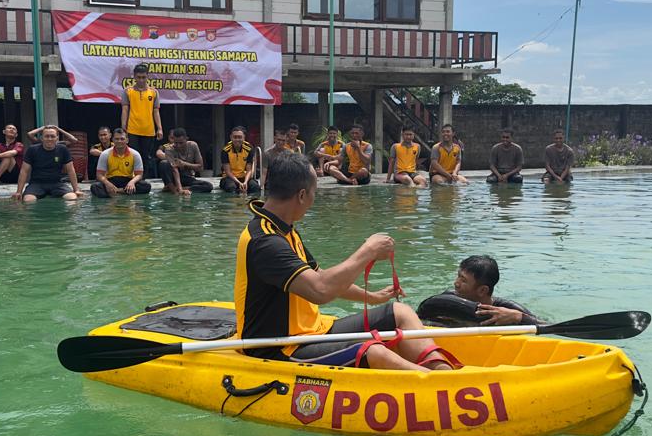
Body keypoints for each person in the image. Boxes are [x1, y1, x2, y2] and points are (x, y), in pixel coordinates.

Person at [234, 151, 459, 370]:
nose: (314, 199)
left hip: (313, 332)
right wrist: (368, 251)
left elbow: (320, 276)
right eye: (314, 192)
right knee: (373, 351)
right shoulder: (265, 241)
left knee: (400, 312)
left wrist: (371, 297)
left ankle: (440, 370)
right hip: (281, 347)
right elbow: (319, 290)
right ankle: (437, 388)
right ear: (302, 195)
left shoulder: (283, 228)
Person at [418, 255, 546, 326]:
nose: (456, 283)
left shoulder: (509, 311)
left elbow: (554, 329)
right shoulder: (446, 300)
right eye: (458, 276)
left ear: (482, 290)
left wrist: (519, 318)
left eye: (463, 280)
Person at [14, 125, 82, 202]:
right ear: (42, 138)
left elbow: (71, 170)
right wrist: (19, 192)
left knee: (72, 198)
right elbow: (24, 171)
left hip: (57, 183)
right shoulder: (32, 149)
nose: (49, 139)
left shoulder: (63, 149)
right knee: (28, 200)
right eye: (47, 136)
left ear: (57, 138)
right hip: (36, 184)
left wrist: (76, 189)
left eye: (52, 136)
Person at [122, 63, 162, 177]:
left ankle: (143, 180)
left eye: (143, 77)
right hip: (132, 129)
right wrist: (123, 127)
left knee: (146, 157)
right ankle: (131, 178)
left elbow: (156, 111)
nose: (141, 80)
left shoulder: (154, 92)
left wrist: (159, 128)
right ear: (134, 77)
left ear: (147, 76)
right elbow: (124, 110)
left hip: (149, 130)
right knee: (133, 155)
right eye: (139, 77)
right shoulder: (128, 91)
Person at [91, 128, 150, 197]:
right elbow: (99, 175)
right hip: (110, 180)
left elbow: (139, 175)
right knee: (95, 187)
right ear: (113, 140)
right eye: (117, 139)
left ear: (127, 140)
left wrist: (132, 182)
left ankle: (116, 192)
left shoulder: (135, 154)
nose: (119, 141)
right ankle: (124, 192)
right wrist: (107, 184)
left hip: (127, 180)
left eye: (122, 139)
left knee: (146, 186)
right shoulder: (105, 154)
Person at [156, 127, 212, 196]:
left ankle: (181, 189)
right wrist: (180, 190)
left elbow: (200, 167)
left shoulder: (193, 145)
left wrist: (184, 164)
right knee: (163, 164)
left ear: (186, 139)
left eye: (181, 143)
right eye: (176, 143)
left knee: (208, 186)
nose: (178, 145)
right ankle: (173, 189)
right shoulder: (169, 149)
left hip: (186, 177)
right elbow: (174, 170)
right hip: (173, 178)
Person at [220, 126, 260, 195]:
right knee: (231, 187)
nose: (237, 139)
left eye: (240, 137)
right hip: (230, 178)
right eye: (235, 137)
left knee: (255, 187)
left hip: (244, 177)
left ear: (244, 138)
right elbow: (228, 171)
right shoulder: (225, 150)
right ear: (231, 137)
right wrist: (239, 183)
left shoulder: (249, 149)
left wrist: (245, 182)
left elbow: (249, 169)